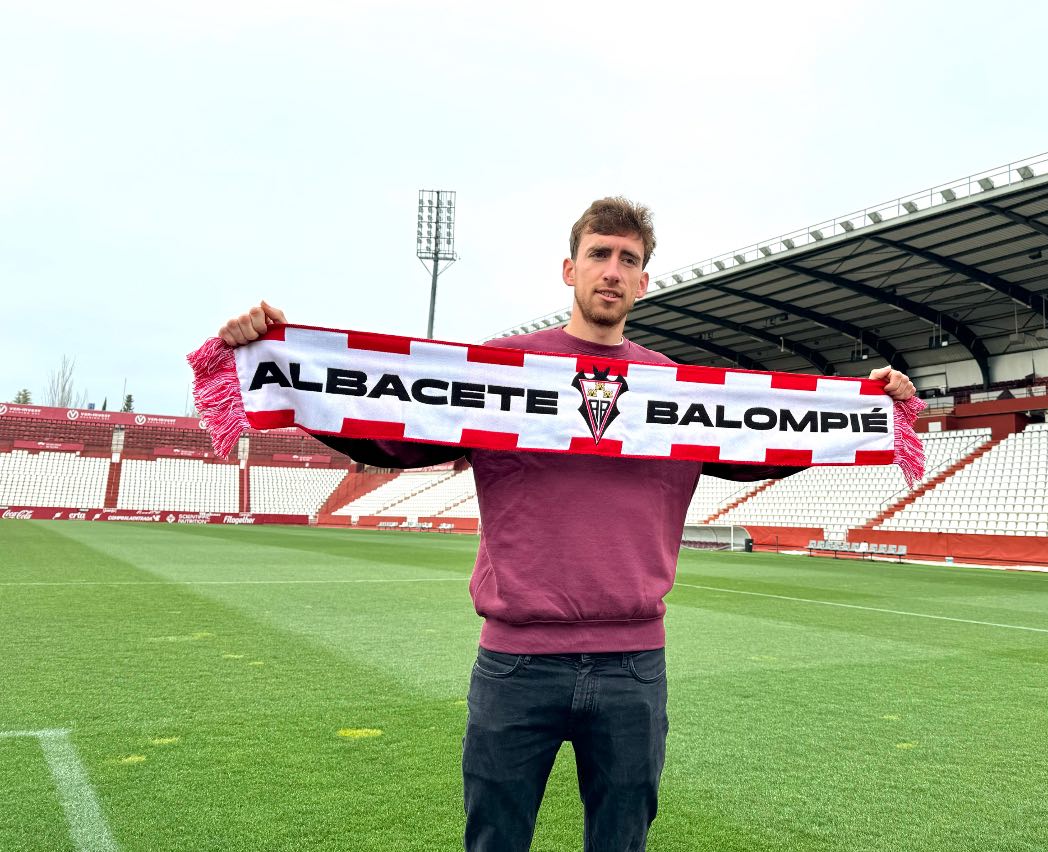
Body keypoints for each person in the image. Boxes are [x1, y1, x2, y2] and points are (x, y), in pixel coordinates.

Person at [217, 197, 915, 851]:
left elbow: (756, 450)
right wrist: (274, 364)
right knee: (495, 836)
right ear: (569, 268)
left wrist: (868, 407)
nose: (613, 271)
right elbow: (390, 437)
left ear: (644, 281)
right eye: (600, 254)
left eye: (629, 260)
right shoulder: (504, 375)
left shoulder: (674, 387)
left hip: (633, 668)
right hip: (516, 664)